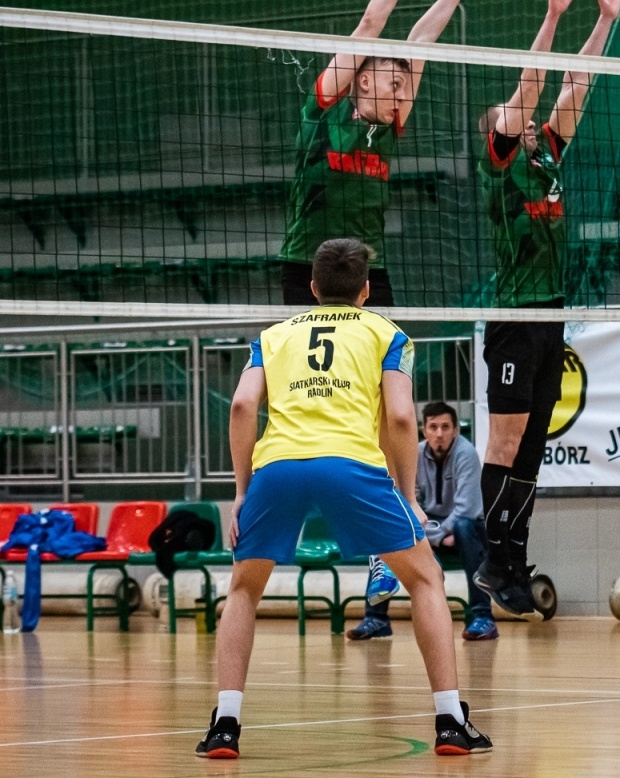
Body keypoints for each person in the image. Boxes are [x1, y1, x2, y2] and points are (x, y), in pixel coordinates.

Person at [198, 238, 490, 759]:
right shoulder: (387, 333)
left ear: (312, 289)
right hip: (351, 464)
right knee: (426, 579)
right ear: (366, 291)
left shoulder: (272, 335)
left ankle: (225, 724)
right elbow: (402, 418)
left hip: (279, 466)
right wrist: (409, 494)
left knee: (243, 589)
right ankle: (450, 720)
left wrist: (243, 491)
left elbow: (243, 406)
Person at [474, 0, 620, 620]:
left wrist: (603, 22)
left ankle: (514, 555)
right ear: (499, 133)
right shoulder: (502, 159)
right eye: (516, 120)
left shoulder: (549, 156)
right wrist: (553, 18)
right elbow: (533, 84)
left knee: (535, 447)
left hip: (551, 314)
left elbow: (575, 86)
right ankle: (491, 558)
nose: (530, 123)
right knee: (505, 446)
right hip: (514, 314)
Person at [278, 0, 486, 306]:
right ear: (365, 80)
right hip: (307, 264)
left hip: (368, 268)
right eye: (394, 83)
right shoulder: (324, 110)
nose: (401, 93)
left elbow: (421, 40)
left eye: (403, 86)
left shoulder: (392, 124)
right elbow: (370, 25)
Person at [348, 401, 495, 642]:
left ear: (456, 430)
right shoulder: (414, 453)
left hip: (462, 530)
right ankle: (376, 618)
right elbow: (408, 500)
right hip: (432, 529)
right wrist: (431, 536)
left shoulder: (466, 454)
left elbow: (467, 509)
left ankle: (483, 617)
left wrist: (430, 535)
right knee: (385, 532)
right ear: (423, 430)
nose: (439, 433)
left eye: (446, 427)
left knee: (465, 527)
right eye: (433, 427)